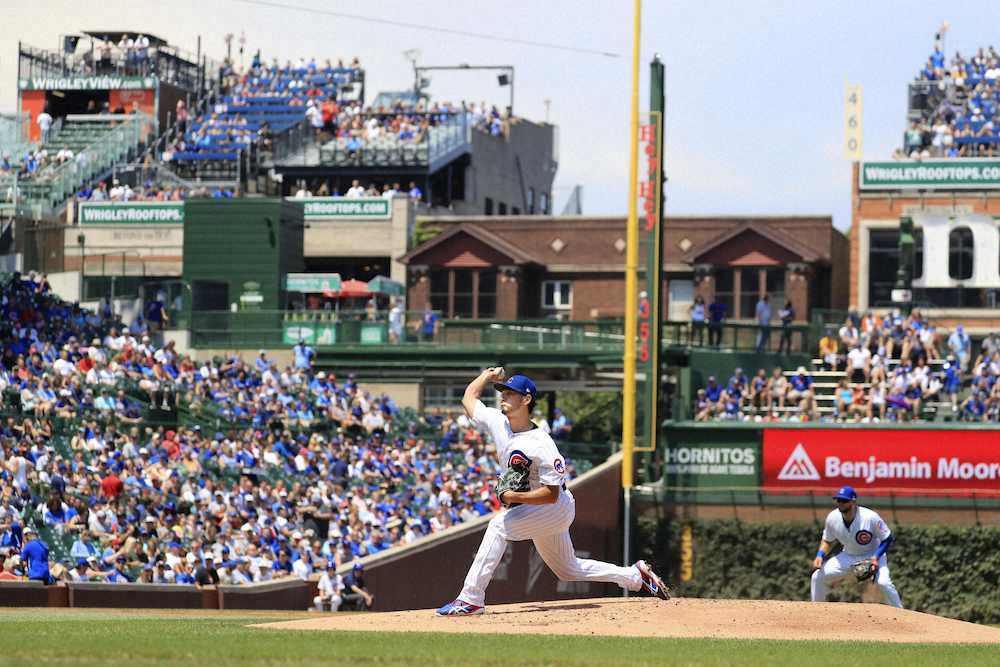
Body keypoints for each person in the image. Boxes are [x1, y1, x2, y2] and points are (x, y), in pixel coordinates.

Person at [436, 368, 669, 616]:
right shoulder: (497, 422)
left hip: (554, 508)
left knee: (498, 527)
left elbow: (551, 494)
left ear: (526, 400)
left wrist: (513, 497)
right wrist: (487, 375)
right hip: (535, 507)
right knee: (568, 569)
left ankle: (471, 598)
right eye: (503, 391)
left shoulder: (542, 444)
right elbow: (469, 399)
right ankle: (635, 576)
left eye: (510, 393)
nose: (503, 396)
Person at [810, 486, 902, 608]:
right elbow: (827, 540)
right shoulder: (832, 518)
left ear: (853, 501)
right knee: (817, 577)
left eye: (844, 501)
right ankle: (816, 610)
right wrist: (819, 555)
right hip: (848, 555)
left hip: (873, 554)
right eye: (838, 500)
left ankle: (901, 613)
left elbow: (887, 538)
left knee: (884, 583)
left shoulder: (870, 517)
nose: (841, 503)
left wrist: (875, 557)